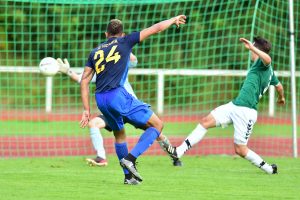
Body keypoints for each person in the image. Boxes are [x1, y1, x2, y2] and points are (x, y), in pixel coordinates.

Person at [165, 37, 285, 174]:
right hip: (235, 106)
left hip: (246, 112)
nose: (250, 51)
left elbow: (268, 60)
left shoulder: (263, 64)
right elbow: (279, 86)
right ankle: (178, 152)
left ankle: (269, 169)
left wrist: (252, 48)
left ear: (257, 50)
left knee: (240, 149)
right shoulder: (269, 72)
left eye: (253, 48)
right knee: (206, 121)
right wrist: (281, 97)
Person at [57, 54, 182, 167]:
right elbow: (81, 79)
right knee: (93, 124)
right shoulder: (100, 73)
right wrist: (67, 71)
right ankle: (101, 157)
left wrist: (125, 46)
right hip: (114, 110)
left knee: (157, 132)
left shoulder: (120, 66)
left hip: (130, 107)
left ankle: (175, 156)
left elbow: (133, 60)